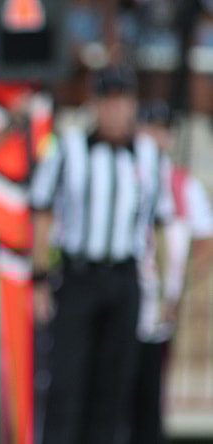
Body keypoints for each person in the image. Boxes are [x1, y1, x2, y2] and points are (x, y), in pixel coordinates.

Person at [30, 67, 174, 444]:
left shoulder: (150, 156)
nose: (114, 111)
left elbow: (159, 224)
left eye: (121, 101)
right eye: (106, 101)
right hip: (78, 277)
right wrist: (40, 278)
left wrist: (159, 289)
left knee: (114, 384)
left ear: (133, 105)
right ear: (94, 104)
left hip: (125, 279)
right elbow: (42, 210)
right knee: (66, 380)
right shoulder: (68, 148)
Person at [130, 101, 213, 444]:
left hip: (161, 302)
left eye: (162, 129)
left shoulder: (180, 183)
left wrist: (178, 288)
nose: (155, 136)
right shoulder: (125, 170)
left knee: (150, 385)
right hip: (124, 291)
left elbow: (204, 239)